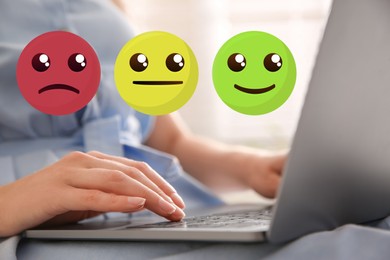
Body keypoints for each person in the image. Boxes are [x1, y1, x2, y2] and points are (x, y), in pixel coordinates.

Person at [0, 0, 284, 257]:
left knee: (316, 240)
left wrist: (252, 167)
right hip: (34, 231)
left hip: (157, 218)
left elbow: (171, 143)